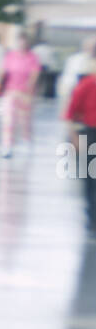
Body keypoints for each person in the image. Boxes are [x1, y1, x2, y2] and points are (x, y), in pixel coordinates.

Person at [62, 56, 96, 235]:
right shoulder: (86, 85)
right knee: (91, 178)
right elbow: (70, 114)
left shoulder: (85, 84)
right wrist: (74, 138)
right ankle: (92, 216)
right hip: (90, 134)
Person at [0, 30, 41, 157]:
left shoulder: (32, 57)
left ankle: (27, 140)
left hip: (25, 93)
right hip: (10, 92)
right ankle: (7, 146)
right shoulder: (10, 56)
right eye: (20, 41)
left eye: (24, 42)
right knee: (9, 120)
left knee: (24, 120)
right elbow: (3, 72)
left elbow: (34, 75)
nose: (22, 44)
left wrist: (29, 91)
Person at [57, 36, 96, 113]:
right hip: (72, 89)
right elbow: (68, 77)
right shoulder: (76, 59)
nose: (91, 49)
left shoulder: (91, 60)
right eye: (90, 46)